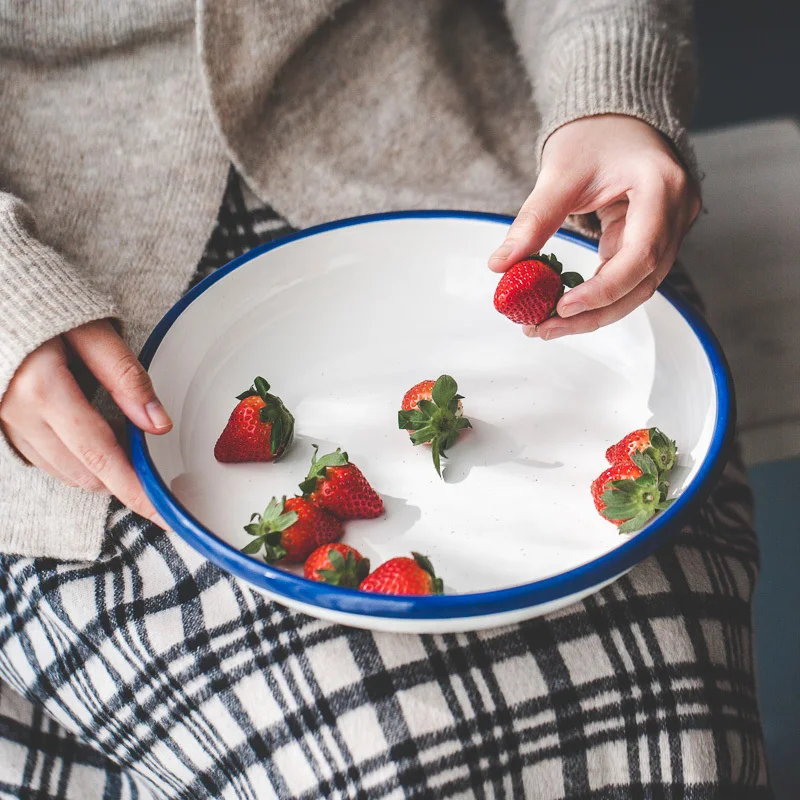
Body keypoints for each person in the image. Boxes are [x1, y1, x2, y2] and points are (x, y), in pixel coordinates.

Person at [0, 1, 769, 797]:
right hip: (62, 292)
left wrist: (610, 88)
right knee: (370, 766)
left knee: (673, 732)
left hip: (487, 178)